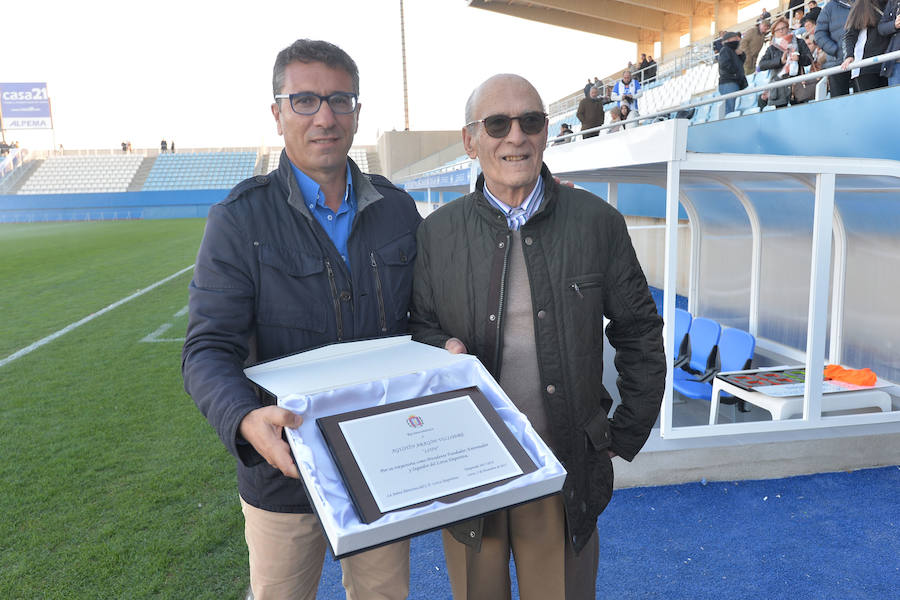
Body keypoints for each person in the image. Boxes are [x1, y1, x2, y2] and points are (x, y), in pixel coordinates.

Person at [409, 73, 665, 600]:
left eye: (531, 121)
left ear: (547, 132)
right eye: (497, 124)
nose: (515, 137)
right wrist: (441, 347)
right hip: (469, 473)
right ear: (470, 140)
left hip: (562, 467)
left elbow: (639, 329)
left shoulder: (597, 222)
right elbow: (418, 328)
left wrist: (625, 430)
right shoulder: (437, 233)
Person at [182, 38, 421, 600]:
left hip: (382, 463)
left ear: (357, 113)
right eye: (306, 100)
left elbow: (424, 321)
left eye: (340, 100)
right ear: (278, 112)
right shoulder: (239, 219)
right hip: (284, 473)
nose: (325, 117)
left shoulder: (398, 210)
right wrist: (244, 419)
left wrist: (445, 349)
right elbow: (207, 349)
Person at [759, 17, 813, 107]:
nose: (781, 31)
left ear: (788, 28)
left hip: (797, 87)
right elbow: (762, 65)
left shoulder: (799, 42)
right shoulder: (772, 48)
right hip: (779, 90)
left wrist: (799, 58)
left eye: (783, 28)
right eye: (778, 30)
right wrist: (780, 61)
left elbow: (809, 59)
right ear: (774, 33)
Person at [841, 0, 891, 91]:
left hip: (888, 65)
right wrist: (849, 55)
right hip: (866, 66)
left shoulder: (892, 4)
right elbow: (849, 35)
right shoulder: (862, 5)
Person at [815, 0, 856, 96]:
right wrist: (836, 50)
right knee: (840, 102)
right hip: (837, 63)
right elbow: (819, 34)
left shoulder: (862, 3)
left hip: (860, 59)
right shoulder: (829, 7)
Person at [718, 31, 749, 113]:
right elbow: (725, 65)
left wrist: (741, 54)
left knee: (732, 108)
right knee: (729, 109)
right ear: (728, 40)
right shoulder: (725, 50)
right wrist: (735, 73)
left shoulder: (734, 51)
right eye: (734, 38)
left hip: (735, 82)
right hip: (729, 82)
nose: (737, 40)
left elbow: (741, 63)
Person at [878, 0, 900, 86]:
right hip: (896, 62)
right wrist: (894, 25)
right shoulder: (893, 2)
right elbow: (881, 28)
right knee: (896, 97)